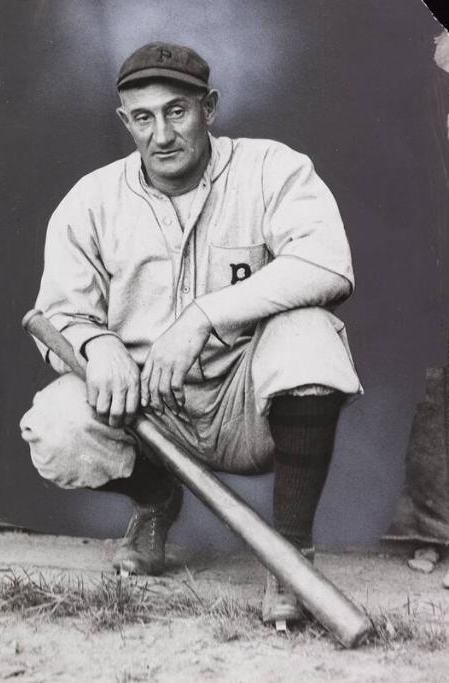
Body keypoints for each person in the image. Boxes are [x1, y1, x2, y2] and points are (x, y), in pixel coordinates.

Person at [20, 42, 362, 625]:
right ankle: (155, 502)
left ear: (210, 108)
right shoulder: (91, 199)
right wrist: (97, 346)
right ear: (125, 121)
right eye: (143, 117)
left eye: (177, 111)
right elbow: (57, 315)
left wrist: (204, 316)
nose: (161, 134)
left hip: (246, 403)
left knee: (310, 333)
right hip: (148, 411)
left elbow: (329, 265)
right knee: (55, 427)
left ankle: (291, 557)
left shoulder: (271, 167)